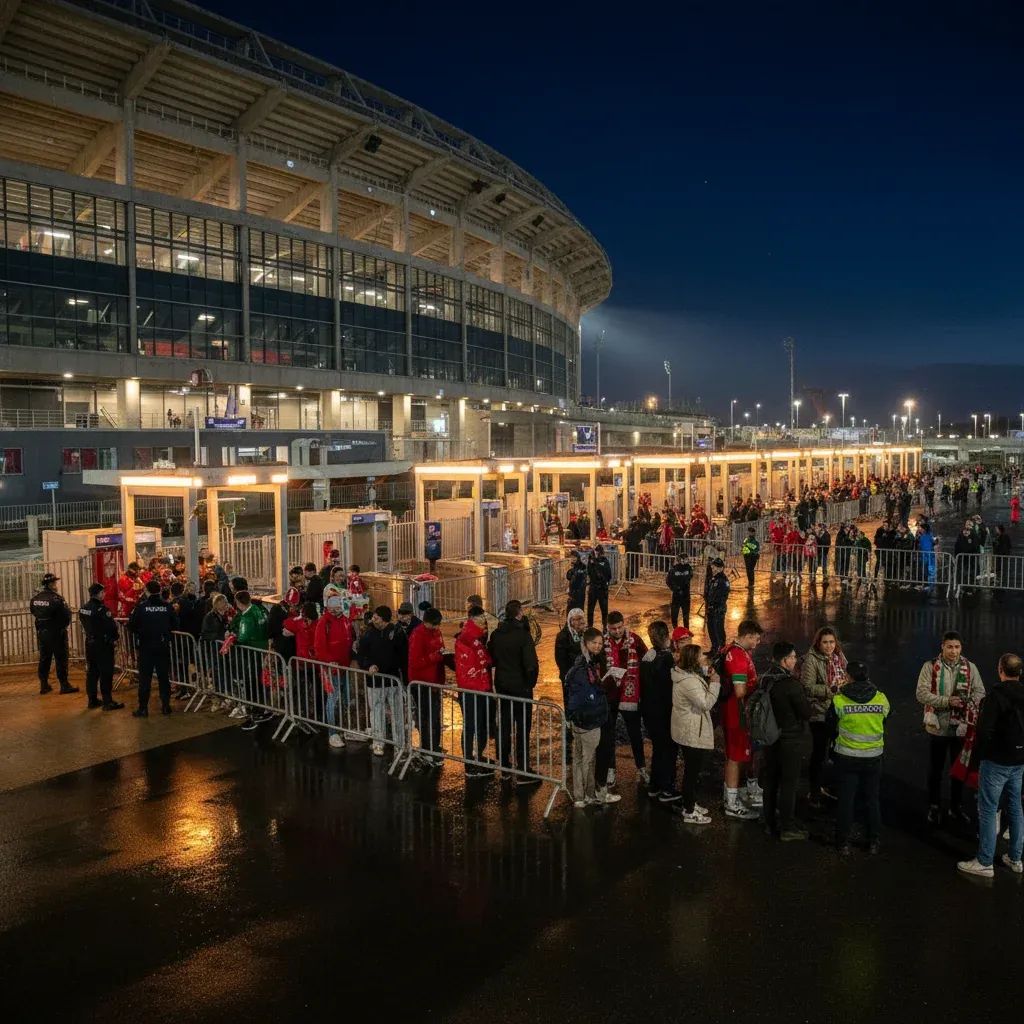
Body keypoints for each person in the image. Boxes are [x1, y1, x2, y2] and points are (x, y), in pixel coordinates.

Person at [958, 653, 1024, 878]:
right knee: (1015, 807)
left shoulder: (995, 697)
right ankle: (1015, 858)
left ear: (1000, 670)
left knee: (987, 809)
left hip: (996, 760)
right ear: (1020, 673)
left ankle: (985, 861)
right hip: (1019, 761)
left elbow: (983, 731)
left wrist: (976, 760)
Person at [916, 631, 985, 826]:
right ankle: (934, 806)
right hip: (937, 727)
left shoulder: (970, 668)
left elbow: (980, 691)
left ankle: (956, 806)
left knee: (958, 771)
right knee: (935, 770)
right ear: (942, 647)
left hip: (960, 729)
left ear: (961, 648)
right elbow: (921, 694)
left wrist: (966, 701)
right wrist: (947, 701)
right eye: (949, 647)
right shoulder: (929, 667)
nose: (953, 651)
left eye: (957, 647)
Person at [827, 660, 890, 855]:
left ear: (849, 677)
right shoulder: (881, 699)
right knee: (872, 799)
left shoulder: (839, 700)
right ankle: (873, 842)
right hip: (873, 757)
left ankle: (843, 843)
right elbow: (885, 720)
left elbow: (830, 727)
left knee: (846, 800)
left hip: (846, 757)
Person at [761, 641, 813, 840]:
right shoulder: (791, 685)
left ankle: (769, 822)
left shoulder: (766, 678)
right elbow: (805, 712)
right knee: (789, 784)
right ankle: (787, 827)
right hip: (790, 739)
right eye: (792, 657)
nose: (794, 660)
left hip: (769, 737)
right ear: (784, 660)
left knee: (771, 781)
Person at [488, 600, 541, 783]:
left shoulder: (496, 634)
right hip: (521, 688)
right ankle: (523, 767)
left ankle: (504, 765)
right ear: (519, 614)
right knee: (522, 727)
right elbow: (531, 665)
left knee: (505, 724)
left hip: (503, 685)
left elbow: (492, 658)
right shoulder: (523, 636)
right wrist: (530, 684)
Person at [564, 628, 616, 807]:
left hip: (581, 719)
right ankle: (587, 795)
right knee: (587, 759)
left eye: (600, 644)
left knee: (579, 758)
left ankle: (581, 795)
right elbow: (586, 695)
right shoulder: (583, 668)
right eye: (594, 642)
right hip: (589, 720)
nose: (598, 646)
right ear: (585, 643)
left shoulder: (584, 664)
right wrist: (603, 687)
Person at [670, 642, 721, 824]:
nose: (704, 658)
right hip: (691, 732)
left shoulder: (686, 675)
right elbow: (705, 703)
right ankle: (689, 811)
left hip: (686, 729)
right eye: (701, 656)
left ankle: (690, 802)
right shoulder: (689, 681)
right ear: (693, 660)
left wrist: (706, 674)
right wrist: (715, 684)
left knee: (692, 771)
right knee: (692, 772)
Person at [598, 611, 649, 788]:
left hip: (630, 694)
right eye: (613, 629)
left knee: (635, 732)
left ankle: (641, 767)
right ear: (607, 628)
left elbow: (646, 660)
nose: (618, 631)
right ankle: (611, 769)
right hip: (609, 694)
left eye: (620, 627)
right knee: (608, 734)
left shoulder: (634, 639)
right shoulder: (601, 642)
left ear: (624, 624)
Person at [720, 619, 765, 818]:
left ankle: (732, 795)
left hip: (731, 712)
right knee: (735, 757)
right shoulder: (738, 656)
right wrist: (757, 686)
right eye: (755, 639)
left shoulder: (728, 649)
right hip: (737, 714)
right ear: (747, 636)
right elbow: (739, 691)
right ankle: (731, 803)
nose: (757, 643)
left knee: (735, 755)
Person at [801, 626, 848, 806]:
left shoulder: (839, 656)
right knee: (820, 752)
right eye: (825, 642)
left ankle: (831, 786)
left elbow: (847, 675)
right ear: (818, 643)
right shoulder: (811, 660)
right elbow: (807, 687)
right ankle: (814, 791)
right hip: (819, 711)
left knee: (837, 752)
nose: (829, 646)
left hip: (839, 711)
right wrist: (831, 690)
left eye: (832, 642)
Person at [356, 606, 407, 756]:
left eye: (376, 618)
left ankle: (399, 743)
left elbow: (403, 655)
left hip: (393, 681)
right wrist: (368, 665)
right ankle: (378, 743)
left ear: (384, 620)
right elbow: (361, 654)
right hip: (375, 682)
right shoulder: (369, 634)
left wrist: (404, 678)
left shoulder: (397, 633)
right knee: (376, 711)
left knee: (397, 712)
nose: (373, 620)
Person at [641, 621, 678, 802]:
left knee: (658, 749)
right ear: (666, 636)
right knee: (668, 750)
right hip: (664, 712)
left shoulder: (648, 656)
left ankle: (654, 785)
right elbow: (670, 686)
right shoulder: (666, 658)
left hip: (649, 711)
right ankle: (667, 788)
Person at [455, 604, 493, 774]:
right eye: (482, 619)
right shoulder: (470, 638)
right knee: (471, 724)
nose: (484, 622)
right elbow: (483, 660)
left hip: (479, 686)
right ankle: (469, 762)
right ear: (475, 620)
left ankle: (475, 757)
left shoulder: (475, 637)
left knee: (479, 723)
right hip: (472, 688)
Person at [129, 579, 176, 717]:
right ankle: (166, 706)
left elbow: (131, 625)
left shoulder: (142, 607)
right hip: (162, 646)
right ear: (160, 590)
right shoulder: (167, 607)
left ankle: (143, 708)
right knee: (163, 677)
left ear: (146, 591)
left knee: (145, 678)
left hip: (146, 647)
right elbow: (175, 624)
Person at [407, 606, 446, 765]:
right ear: (427, 622)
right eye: (434, 624)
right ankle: (427, 748)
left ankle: (434, 747)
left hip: (435, 681)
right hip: (422, 683)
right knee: (426, 718)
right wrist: (435, 656)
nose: (437, 627)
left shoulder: (436, 632)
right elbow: (415, 662)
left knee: (435, 717)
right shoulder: (418, 634)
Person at [313, 596, 353, 748]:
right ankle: (332, 732)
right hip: (332, 669)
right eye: (335, 607)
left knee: (344, 697)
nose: (338, 609)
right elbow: (319, 647)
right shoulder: (324, 622)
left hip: (344, 666)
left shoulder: (344, 620)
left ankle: (341, 727)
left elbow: (348, 640)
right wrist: (329, 661)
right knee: (333, 699)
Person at [228, 590, 270, 731]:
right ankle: (263, 709)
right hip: (262, 650)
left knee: (252, 683)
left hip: (251, 653)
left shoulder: (247, 617)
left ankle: (254, 713)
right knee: (259, 682)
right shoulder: (258, 610)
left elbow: (243, 638)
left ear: (239, 603)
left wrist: (233, 640)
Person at [30, 572, 78, 696]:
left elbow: (34, 612)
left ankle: (44, 685)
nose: (56, 585)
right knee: (61, 658)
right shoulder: (56, 598)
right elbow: (66, 615)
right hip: (57, 633)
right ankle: (64, 685)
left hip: (42, 633)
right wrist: (62, 626)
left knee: (44, 658)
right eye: (55, 583)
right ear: (50, 584)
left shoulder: (36, 598)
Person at [77, 581, 123, 710]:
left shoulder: (84, 608)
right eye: (103, 592)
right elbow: (111, 628)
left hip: (90, 643)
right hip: (103, 644)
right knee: (106, 673)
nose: (104, 594)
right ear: (98, 594)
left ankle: (92, 700)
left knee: (92, 672)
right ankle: (107, 701)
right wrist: (115, 638)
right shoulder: (103, 610)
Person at [704, 558, 730, 653]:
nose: (714, 568)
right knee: (711, 629)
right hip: (711, 608)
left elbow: (723, 596)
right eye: (713, 566)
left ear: (721, 568)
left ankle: (722, 650)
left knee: (718, 629)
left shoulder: (723, 580)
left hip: (718, 609)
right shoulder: (713, 578)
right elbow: (709, 592)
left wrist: (715, 606)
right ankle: (714, 649)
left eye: (716, 567)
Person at [586, 544, 612, 628]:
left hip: (600, 588)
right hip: (595, 587)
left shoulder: (603, 561)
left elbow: (608, 575)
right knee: (591, 608)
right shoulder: (593, 561)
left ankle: (604, 625)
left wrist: (594, 562)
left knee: (603, 609)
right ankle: (591, 625)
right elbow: (589, 572)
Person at [666, 551, 693, 628]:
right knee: (674, 615)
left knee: (686, 616)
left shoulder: (689, 568)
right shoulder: (674, 569)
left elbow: (690, 576)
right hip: (676, 596)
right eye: (685, 559)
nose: (687, 560)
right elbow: (668, 581)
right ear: (680, 560)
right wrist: (675, 588)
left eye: (687, 559)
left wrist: (684, 586)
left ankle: (686, 630)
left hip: (686, 596)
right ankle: (675, 630)